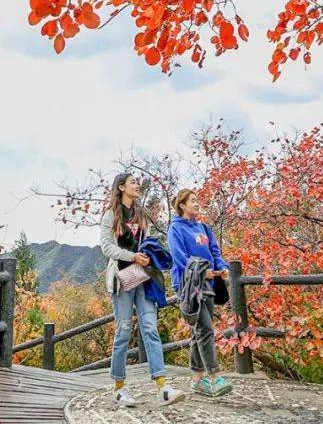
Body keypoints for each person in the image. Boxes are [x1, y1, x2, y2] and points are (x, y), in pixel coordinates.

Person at [100, 172, 185, 407]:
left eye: (138, 182)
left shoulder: (141, 213)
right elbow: (106, 247)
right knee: (124, 331)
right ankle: (118, 387)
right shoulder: (110, 215)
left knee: (150, 328)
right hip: (121, 276)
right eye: (133, 182)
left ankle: (162, 387)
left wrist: (147, 255)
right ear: (121, 187)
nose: (137, 185)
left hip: (142, 276)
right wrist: (132, 256)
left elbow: (146, 241)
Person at [167, 189, 233, 398]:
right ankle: (215, 376)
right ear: (182, 205)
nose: (197, 203)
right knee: (205, 328)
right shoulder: (175, 229)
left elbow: (215, 253)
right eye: (192, 201)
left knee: (199, 331)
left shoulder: (204, 228)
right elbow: (179, 258)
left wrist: (222, 267)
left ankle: (197, 381)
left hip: (210, 283)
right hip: (188, 285)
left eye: (197, 200)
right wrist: (202, 272)